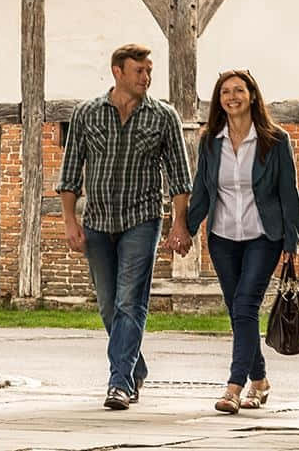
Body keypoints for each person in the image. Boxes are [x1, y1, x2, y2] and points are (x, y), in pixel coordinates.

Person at [56, 43, 193, 410]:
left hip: (142, 220)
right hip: (98, 222)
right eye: (139, 71)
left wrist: (179, 224)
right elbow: (69, 174)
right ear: (118, 72)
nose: (146, 77)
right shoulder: (87, 114)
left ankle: (119, 383)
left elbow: (180, 178)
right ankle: (135, 368)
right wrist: (70, 220)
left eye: (149, 71)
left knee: (130, 301)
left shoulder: (164, 117)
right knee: (107, 305)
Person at [167, 69, 299, 414]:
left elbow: (289, 194)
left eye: (239, 90)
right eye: (225, 92)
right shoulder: (211, 141)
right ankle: (260, 382)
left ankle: (234, 388)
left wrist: (291, 241)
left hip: (263, 236)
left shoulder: (275, 140)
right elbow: (202, 190)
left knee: (244, 307)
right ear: (219, 100)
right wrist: (186, 228)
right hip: (223, 238)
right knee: (240, 312)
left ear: (252, 96)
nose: (232, 97)